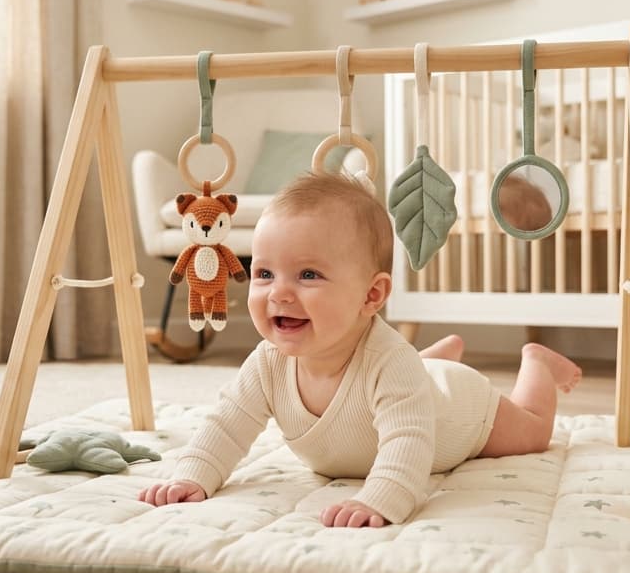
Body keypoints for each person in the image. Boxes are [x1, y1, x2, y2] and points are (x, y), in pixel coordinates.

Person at [138, 172, 582, 527]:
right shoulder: (267, 363)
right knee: (403, 378)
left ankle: (537, 363)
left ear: (371, 297)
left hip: (457, 411)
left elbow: (408, 442)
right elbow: (227, 425)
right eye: (265, 273)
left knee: (533, 434)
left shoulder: (389, 364)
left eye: (308, 275)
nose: (280, 293)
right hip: (413, 380)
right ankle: (434, 357)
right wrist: (193, 472)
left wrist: (382, 495)